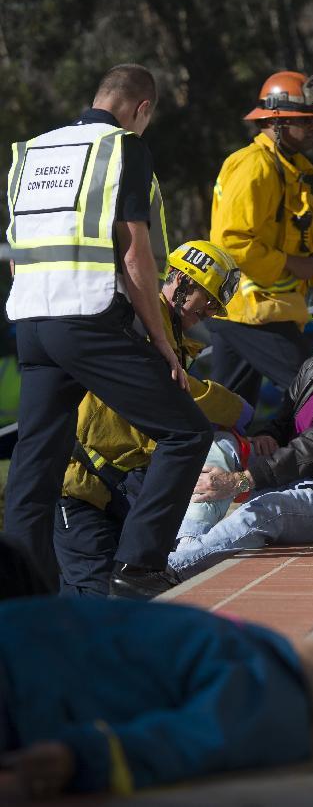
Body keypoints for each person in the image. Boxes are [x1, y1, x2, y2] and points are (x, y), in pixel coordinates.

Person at [3, 64, 213, 594]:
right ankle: (138, 565)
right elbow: (136, 254)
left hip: (30, 322)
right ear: (142, 109)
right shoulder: (124, 149)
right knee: (186, 430)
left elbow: (19, 251)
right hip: (91, 320)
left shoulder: (33, 151)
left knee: (35, 465)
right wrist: (162, 341)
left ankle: (20, 593)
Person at [0, 594, 313, 797]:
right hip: (34, 650)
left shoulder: (276, 695)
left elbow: (193, 739)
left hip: (29, 676)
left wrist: (86, 757)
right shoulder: (262, 659)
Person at [168, 284, 313, 581]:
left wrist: (240, 481)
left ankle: (172, 569)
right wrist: (269, 435)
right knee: (222, 446)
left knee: (264, 511)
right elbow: (284, 420)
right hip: (296, 475)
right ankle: (186, 546)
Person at [53, 240, 249, 599]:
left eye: (215, 306)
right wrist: (235, 409)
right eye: (207, 300)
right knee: (95, 597)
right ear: (180, 281)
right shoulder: (139, 323)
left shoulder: (167, 331)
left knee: (128, 593)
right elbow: (176, 387)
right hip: (81, 488)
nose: (209, 312)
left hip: (117, 485)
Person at [208, 71, 313, 407]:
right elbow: (231, 243)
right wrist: (292, 264)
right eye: (304, 120)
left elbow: (280, 238)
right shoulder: (256, 167)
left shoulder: (287, 169)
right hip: (253, 313)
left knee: (229, 411)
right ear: (276, 121)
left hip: (252, 311)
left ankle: (214, 459)